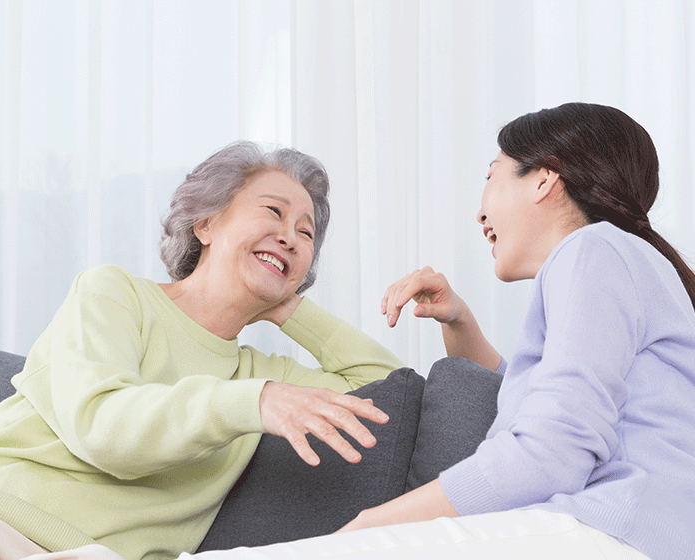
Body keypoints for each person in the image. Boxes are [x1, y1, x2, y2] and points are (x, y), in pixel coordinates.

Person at [179, 103, 695, 560]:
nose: (480, 210)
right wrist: (460, 322)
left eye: (491, 174)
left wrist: (370, 526)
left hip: (617, 529)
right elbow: (536, 399)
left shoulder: (593, 250)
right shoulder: (623, 262)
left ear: (543, 179)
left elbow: (550, 451)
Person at [0, 142, 404, 560]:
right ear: (207, 222)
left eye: (306, 234)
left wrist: (291, 307)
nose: (290, 237)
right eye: (273, 212)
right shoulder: (115, 295)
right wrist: (253, 402)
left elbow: (392, 391)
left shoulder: (262, 374)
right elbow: (103, 426)